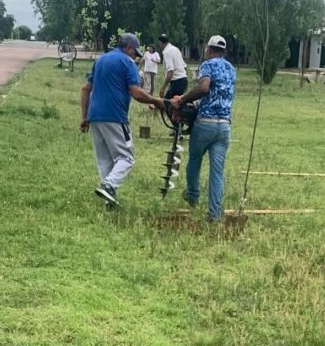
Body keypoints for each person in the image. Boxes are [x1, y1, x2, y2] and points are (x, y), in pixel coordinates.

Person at [80, 33, 164, 206]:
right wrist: (156, 101)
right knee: (126, 157)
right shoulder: (127, 62)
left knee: (105, 160)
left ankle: (109, 200)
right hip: (115, 117)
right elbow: (135, 92)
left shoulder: (101, 60)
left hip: (95, 117)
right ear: (128, 48)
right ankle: (109, 185)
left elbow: (85, 89)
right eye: (136, 53)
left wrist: (84, 117)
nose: (136, 56)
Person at [172, 35, 236, 221]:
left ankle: (193, 195)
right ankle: (214, 214)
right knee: (217, 172)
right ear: (223, 51)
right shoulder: (231, 69)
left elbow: (205, 87)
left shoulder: (207, 65)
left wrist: (182, 100)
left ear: (208, 49)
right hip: (224, 126)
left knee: (194, 159)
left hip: (205, 123)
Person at [158, 34, 188, 100]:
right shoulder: (176, 49)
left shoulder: (166, 52)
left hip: (176, 82)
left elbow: (171, 71)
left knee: (172, 106)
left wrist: (163, 88)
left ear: (160, 43)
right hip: (183, 79)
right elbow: (184, 66)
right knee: (166, 101)